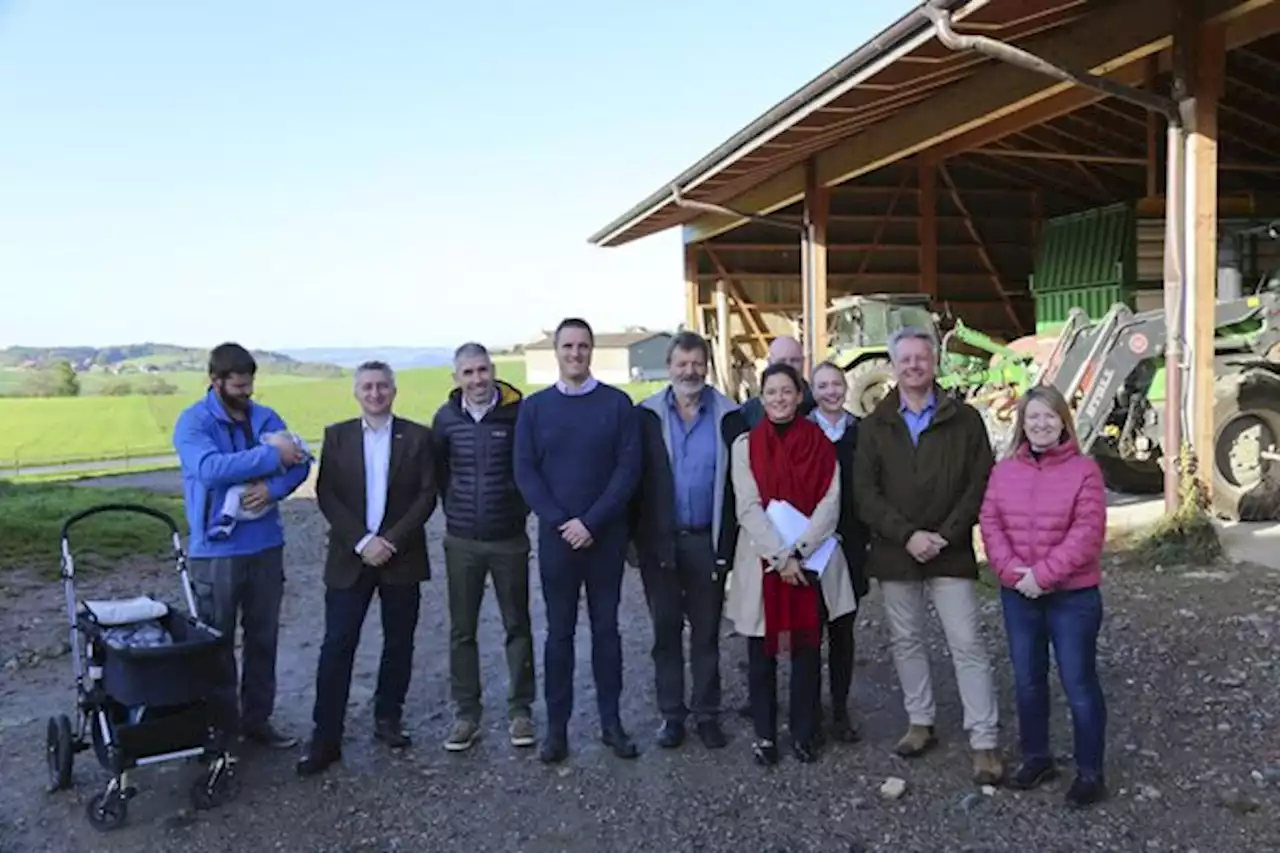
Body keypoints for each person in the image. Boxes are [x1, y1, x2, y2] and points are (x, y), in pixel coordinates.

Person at [853, 326, 1004, 785]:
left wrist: (944, 535)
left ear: (934, 363)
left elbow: (980, 482)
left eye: (922, 358)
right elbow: (865, 493)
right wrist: (908, 535)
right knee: (907, 641)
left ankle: (985, 741)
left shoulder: (966, 420)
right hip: (897, 552)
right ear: (894, 366)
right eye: (906, 359)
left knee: (968, 644)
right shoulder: (875, 424)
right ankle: (920, 722)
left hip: (949, 549)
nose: (913, 365)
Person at [296, 361, 437, 776]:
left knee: (399, 643)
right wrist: (362, 540)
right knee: (337, 645)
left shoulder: (417, 436)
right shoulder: (336, 437)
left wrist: (390, 541)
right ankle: (325, 738)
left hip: (401, 556)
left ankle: (387, 719)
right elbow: (327, 494)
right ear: (356, 393)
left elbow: (427, 495)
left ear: (394, 391)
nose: (375, 394)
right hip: (349, 558)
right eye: (367, 387)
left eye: (382, 387)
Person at [514, 317, 643, 764]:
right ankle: (557, 731)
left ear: (592, 351)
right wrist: (561, 521)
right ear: (557, 351)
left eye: (583, 346)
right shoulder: (534, 409)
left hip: (604, 541)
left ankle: (612, 723)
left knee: (607, 632)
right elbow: (526, 473)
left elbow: (627, 472)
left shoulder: (617, 405)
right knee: (559, 636)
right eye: (568, 346)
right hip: (557, 543)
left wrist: (591, 522)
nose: (575, 353)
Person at [173, 342, 312, 750]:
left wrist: (273, 489)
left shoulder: (265, 416)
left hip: (266, 547)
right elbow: (210, 470)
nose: (246, 395)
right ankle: (217, 729)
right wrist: (272, 455)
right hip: (215, 553)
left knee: (263, 639)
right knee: (214, 644)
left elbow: (301, 460)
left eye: (250, 386)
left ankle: (257, 722)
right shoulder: (193, 423)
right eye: (237, 387)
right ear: (215, 382)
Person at [979, 385, 1109, 808]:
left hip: (1072, 597)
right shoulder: (1003, 472)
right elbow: (990, 522)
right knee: (1028, 681)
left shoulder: (1085, 471)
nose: (1040, 424)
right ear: (1022, 423)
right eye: (1033, 417)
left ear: (1063, 421)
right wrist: (1011, 571)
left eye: (1049, 416)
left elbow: (1087, 534)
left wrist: (1044, 575)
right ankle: (1038, 757)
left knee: (1078, 683)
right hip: (1019, 594)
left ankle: (1090, 773)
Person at [725, 363, 857, 765]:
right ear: (761, 398)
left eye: (787, 391)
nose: (779, 399)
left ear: (800, 396)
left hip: (810, 560)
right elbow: (746, 507)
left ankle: (804, 730)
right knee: (760, 652)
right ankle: (765, 735)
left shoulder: (820, 442)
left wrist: (798, 551)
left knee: (806, 648)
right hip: (763, 562)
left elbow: (830, 503)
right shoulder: (745, 446)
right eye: (772, 392)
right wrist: (781, 557)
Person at [630, 331, 738, 750]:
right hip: (661, 542)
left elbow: (736, 487)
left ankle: (707, 714)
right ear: (669, 366)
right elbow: (632, 483)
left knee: (707, 633)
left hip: (706, 542)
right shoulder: (646, 417)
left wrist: (728, 546)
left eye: (697, 363)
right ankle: (672, 716)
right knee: (665, 632)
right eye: (682, 363)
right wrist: (636, 545)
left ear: (707, 366)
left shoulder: (729, 417)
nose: (689, 371)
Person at [432, 342, 536, 752]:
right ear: (456, 378)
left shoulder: (518, 413)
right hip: (462, 542)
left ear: (493, 370)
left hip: (509, 538)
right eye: (468, 373)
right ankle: (466, 715)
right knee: (462, 630)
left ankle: (521, 711)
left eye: (482, 370)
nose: (477, 380)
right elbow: (440, 473)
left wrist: (516, 509)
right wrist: (457, 511)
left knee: (517, 626)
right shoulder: (445, 420)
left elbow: (531, 466)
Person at [807, 361, 870, 743]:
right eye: (823, 385)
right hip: (811, 544)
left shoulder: (862, 433)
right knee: (810, 632)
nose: (831, 391)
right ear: (812, 391)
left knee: (843, 631)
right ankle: (811, 711)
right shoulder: (802, 433)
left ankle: (841, 710)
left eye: (837, 385)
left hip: (849, 545)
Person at [735, 336, 815, 430]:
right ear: (770, 362)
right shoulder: (751, 410)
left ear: (803, 362)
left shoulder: (818, 401)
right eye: (781, 361)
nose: (788, 366)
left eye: (794, 360)